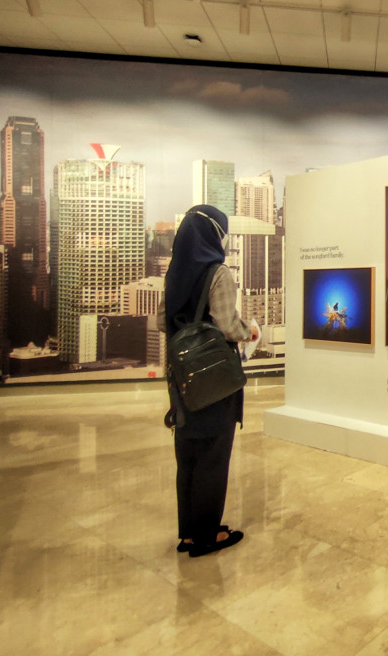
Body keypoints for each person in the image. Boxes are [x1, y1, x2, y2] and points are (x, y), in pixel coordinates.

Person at [164, 204, 258, 557]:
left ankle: (188, 533)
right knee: (214, 456)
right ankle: (208, 536)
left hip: (182, 380)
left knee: (187, 456)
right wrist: (250, 331)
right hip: (214, 380)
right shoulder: (218, 273)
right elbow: (226, 325)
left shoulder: (174, 273)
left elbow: (162, 321)